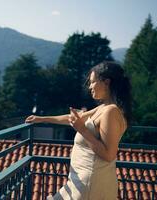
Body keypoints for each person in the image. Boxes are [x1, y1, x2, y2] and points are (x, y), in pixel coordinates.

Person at [25, 61, 132, 200]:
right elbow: (73, 118)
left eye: (93, 82)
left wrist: (82, 129)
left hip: (90, 184)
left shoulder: (110, 111)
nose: (90, 86)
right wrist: (42, 119)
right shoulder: (104, 108)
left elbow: (109, 154)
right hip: (82, 181)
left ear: (106, 82)